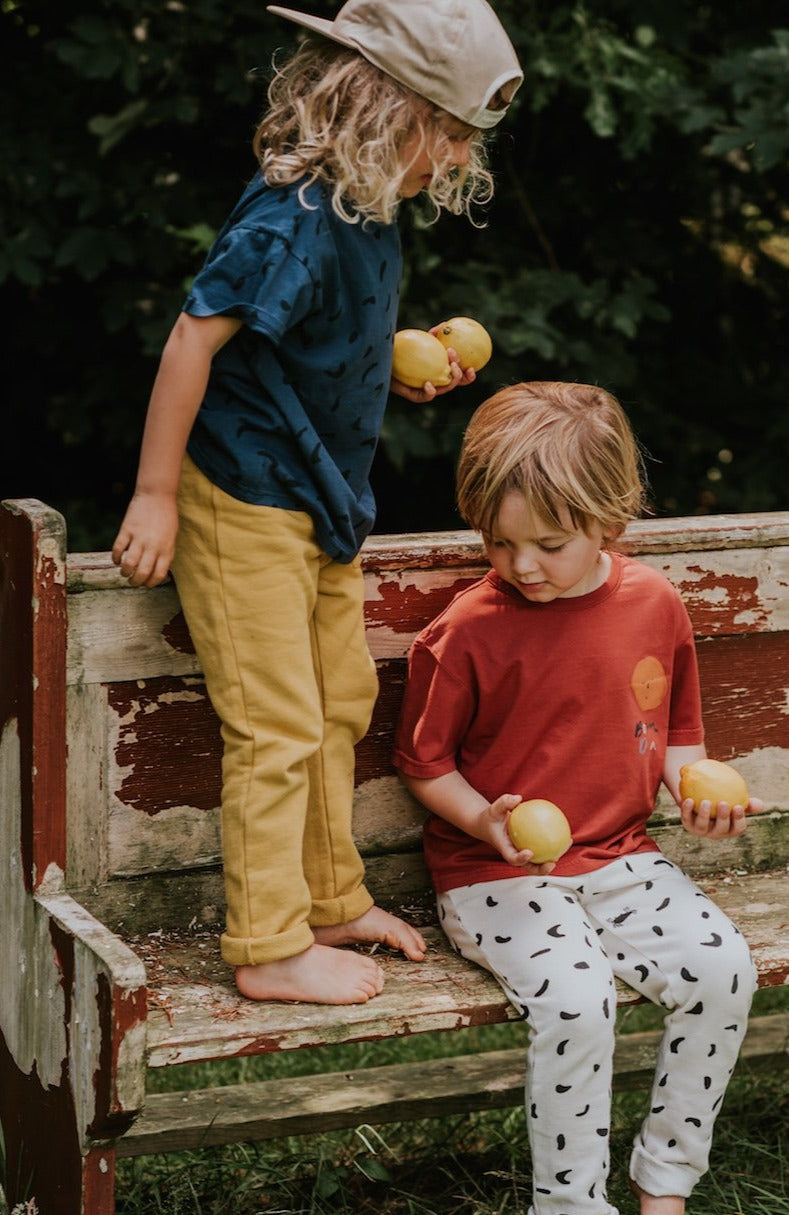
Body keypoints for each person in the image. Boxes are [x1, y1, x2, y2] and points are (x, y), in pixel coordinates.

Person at [110, 0, 523, 1006]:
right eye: (454, 134)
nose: (460, 157)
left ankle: (331, 899)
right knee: (279, 726)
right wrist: (156, 495)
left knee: (337, 702)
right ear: (394, 109)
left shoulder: (362, 208)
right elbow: (192, 339)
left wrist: (389, 364)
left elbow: (298, 335)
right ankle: (266, 942)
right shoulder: (294, 214)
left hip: (322, 502)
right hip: (245, 496)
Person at [393, 382, 763, 1215]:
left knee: (721, 969)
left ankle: (664, 1178)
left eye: (548, 544)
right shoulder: (464, 632)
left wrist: (692, 793)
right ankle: (568, 1204)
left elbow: (674, 736)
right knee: (577, 1001)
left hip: (623, 856)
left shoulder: (653, 605)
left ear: (609, 522)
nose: (521, 565)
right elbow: (423, 763)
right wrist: (483, 817)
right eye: (499, 542)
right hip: (495, 873)